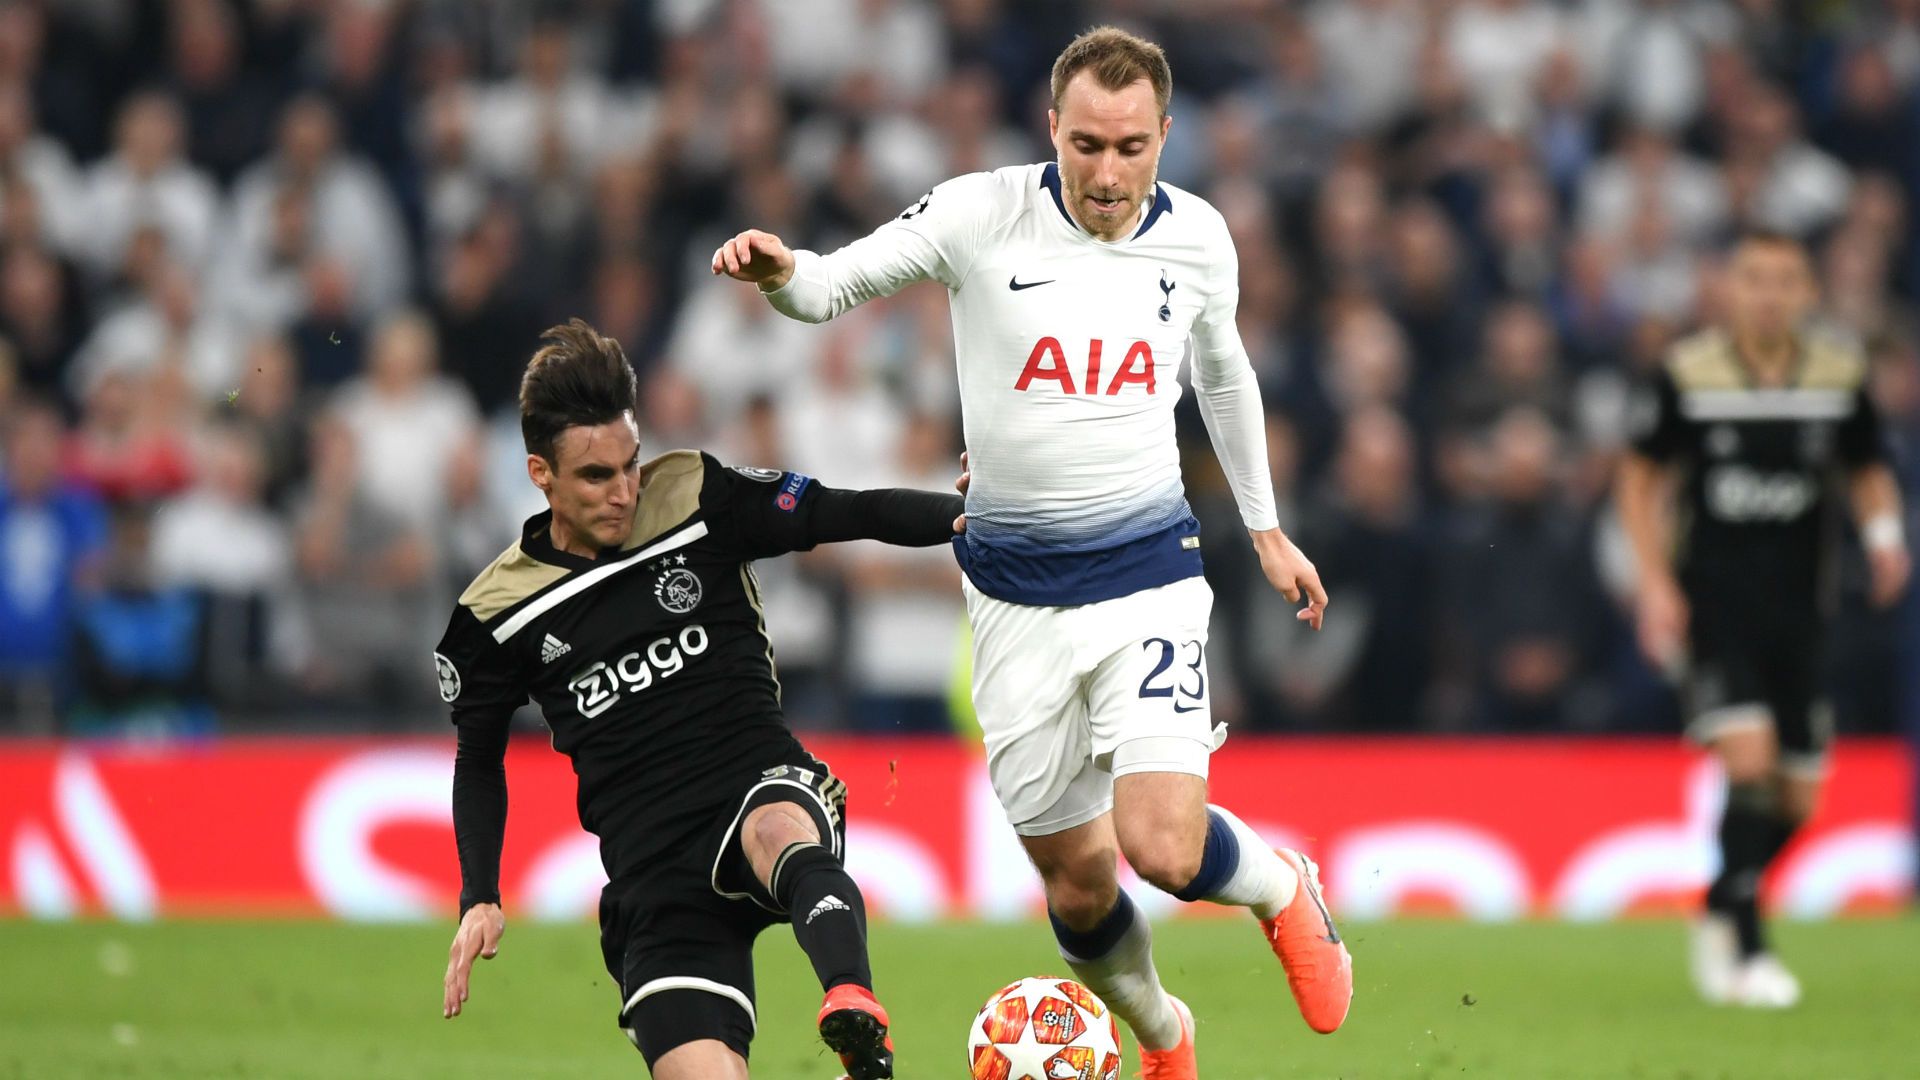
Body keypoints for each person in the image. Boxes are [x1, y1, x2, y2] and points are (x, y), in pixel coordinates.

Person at [712, 26, 1352, 1076]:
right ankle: (1164, 1036)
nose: (1108, 173)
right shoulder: (979, 214)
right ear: (1050, 127)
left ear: (1165, 137)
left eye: (1132, 146)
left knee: (1164, 848)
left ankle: (1280, 885)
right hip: (1012, 600)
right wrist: (781, 270)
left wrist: (1266, 528)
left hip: (1148, 572)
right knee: (1080, 884)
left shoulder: (1197, 238)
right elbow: (828, 286)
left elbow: (1225, 377)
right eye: (1088, 144)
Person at [435, 320, 964, 1079]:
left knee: (779, 830)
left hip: (755, 786)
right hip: (654, 879)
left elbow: (847, 512)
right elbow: (478, 761)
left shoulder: (694, 496)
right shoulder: (498, 613)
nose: (623, 492)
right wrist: (479, 895)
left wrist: (968, 520)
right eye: (596, 477)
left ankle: (854, 1014)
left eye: (630, 464)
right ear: (539, 474)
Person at [1616, 231, 1909, 1007]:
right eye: (1754, 279)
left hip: (1804, 612)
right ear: (1730, 289)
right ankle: (1747, 948)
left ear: (1807, 292)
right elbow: (1640, 478)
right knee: (1747, 761)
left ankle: (1720, 900)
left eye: (1785, 281)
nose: (1769, 294)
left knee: (1798, 799)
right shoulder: (1689, 374)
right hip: (1714, 607)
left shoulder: (1838, 376)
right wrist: (1653, 583)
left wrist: (1884, 536)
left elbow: (1867, 466)